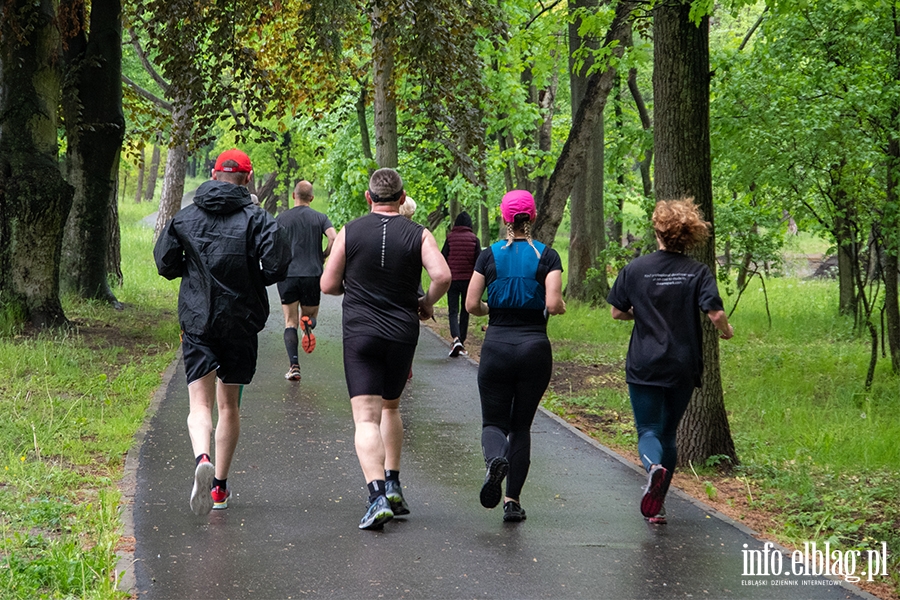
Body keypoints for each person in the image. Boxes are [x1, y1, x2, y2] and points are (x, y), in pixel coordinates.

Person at [154, 148, 290, 516]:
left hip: (198, 321)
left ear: (213, 176)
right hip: (241, 322)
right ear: (248, 180)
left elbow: (165, 264)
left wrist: (193, 271)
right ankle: (219, 489)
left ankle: (202, 456)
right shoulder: (257, 217)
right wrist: (251, 277)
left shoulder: (185, 216)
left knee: (199, 403)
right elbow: (277, 265)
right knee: (229, 404)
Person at [321, 168, 451, 530]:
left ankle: (377, 496)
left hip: (360, 333)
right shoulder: (419, 234)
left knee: (365, 417)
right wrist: (426, 302)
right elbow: (443, 276)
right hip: (401, 332)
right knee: (391, 407)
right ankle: (393, 482)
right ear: (401, 196)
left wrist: (354, 285)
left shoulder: (351, 231)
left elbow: (328, 284)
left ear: (368, 197)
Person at [607, 198, 734, 525]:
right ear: (689, 234)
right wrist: (727, 330)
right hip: (682, 364)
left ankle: (653, 470)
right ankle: (658, 506)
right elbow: (716, 313)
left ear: (658, 230)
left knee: (647, 429)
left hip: (644, 363)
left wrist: (640, 314)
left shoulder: (635, 269)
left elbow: (617, 311)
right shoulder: (697, 272)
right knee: (668, 433)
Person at [465, 190, 566, 523]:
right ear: (533, 217)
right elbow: (553, 304)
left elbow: (471, 305)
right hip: (534, 346)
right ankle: (512, 502)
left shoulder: (487, 256)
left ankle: (496, 459)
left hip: (496, 345)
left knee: (493, 422)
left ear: (505, 218)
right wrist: (560, 306)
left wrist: (489, 308)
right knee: (520, 427)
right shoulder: (548, 256)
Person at [276, 180, 337, 381]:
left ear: (294, 196)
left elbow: (271, 242)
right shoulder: (320, 218)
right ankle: (309, 322)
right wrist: (324, 255)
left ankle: (294, 366)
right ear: (311, 198)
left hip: (288, 275)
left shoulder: (282, 218)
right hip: (312, 273)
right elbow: (333, 237)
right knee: (310, 316)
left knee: (289, 322)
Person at [441, 211, 481, 357]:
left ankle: (455, 338)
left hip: (452, 280)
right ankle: (462, 340)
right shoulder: (474, 239)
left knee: (453, 310)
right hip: (468, 281)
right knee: (465, 310)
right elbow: (478, 261)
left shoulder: (450, 238)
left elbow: (442, 256)